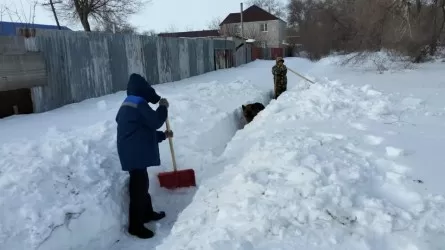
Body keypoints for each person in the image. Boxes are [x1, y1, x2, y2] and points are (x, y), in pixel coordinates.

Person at [115, 73, 173, 239]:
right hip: (134, 154)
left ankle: (147, 213)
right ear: (142, 90)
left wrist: (163, 135)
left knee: (142, 185)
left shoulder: (128, 103)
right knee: (138, 190)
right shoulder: (138, 103)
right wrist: (162, 107)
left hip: (132, 151)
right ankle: (135, 226)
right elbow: (155, 121)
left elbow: (141, 131)